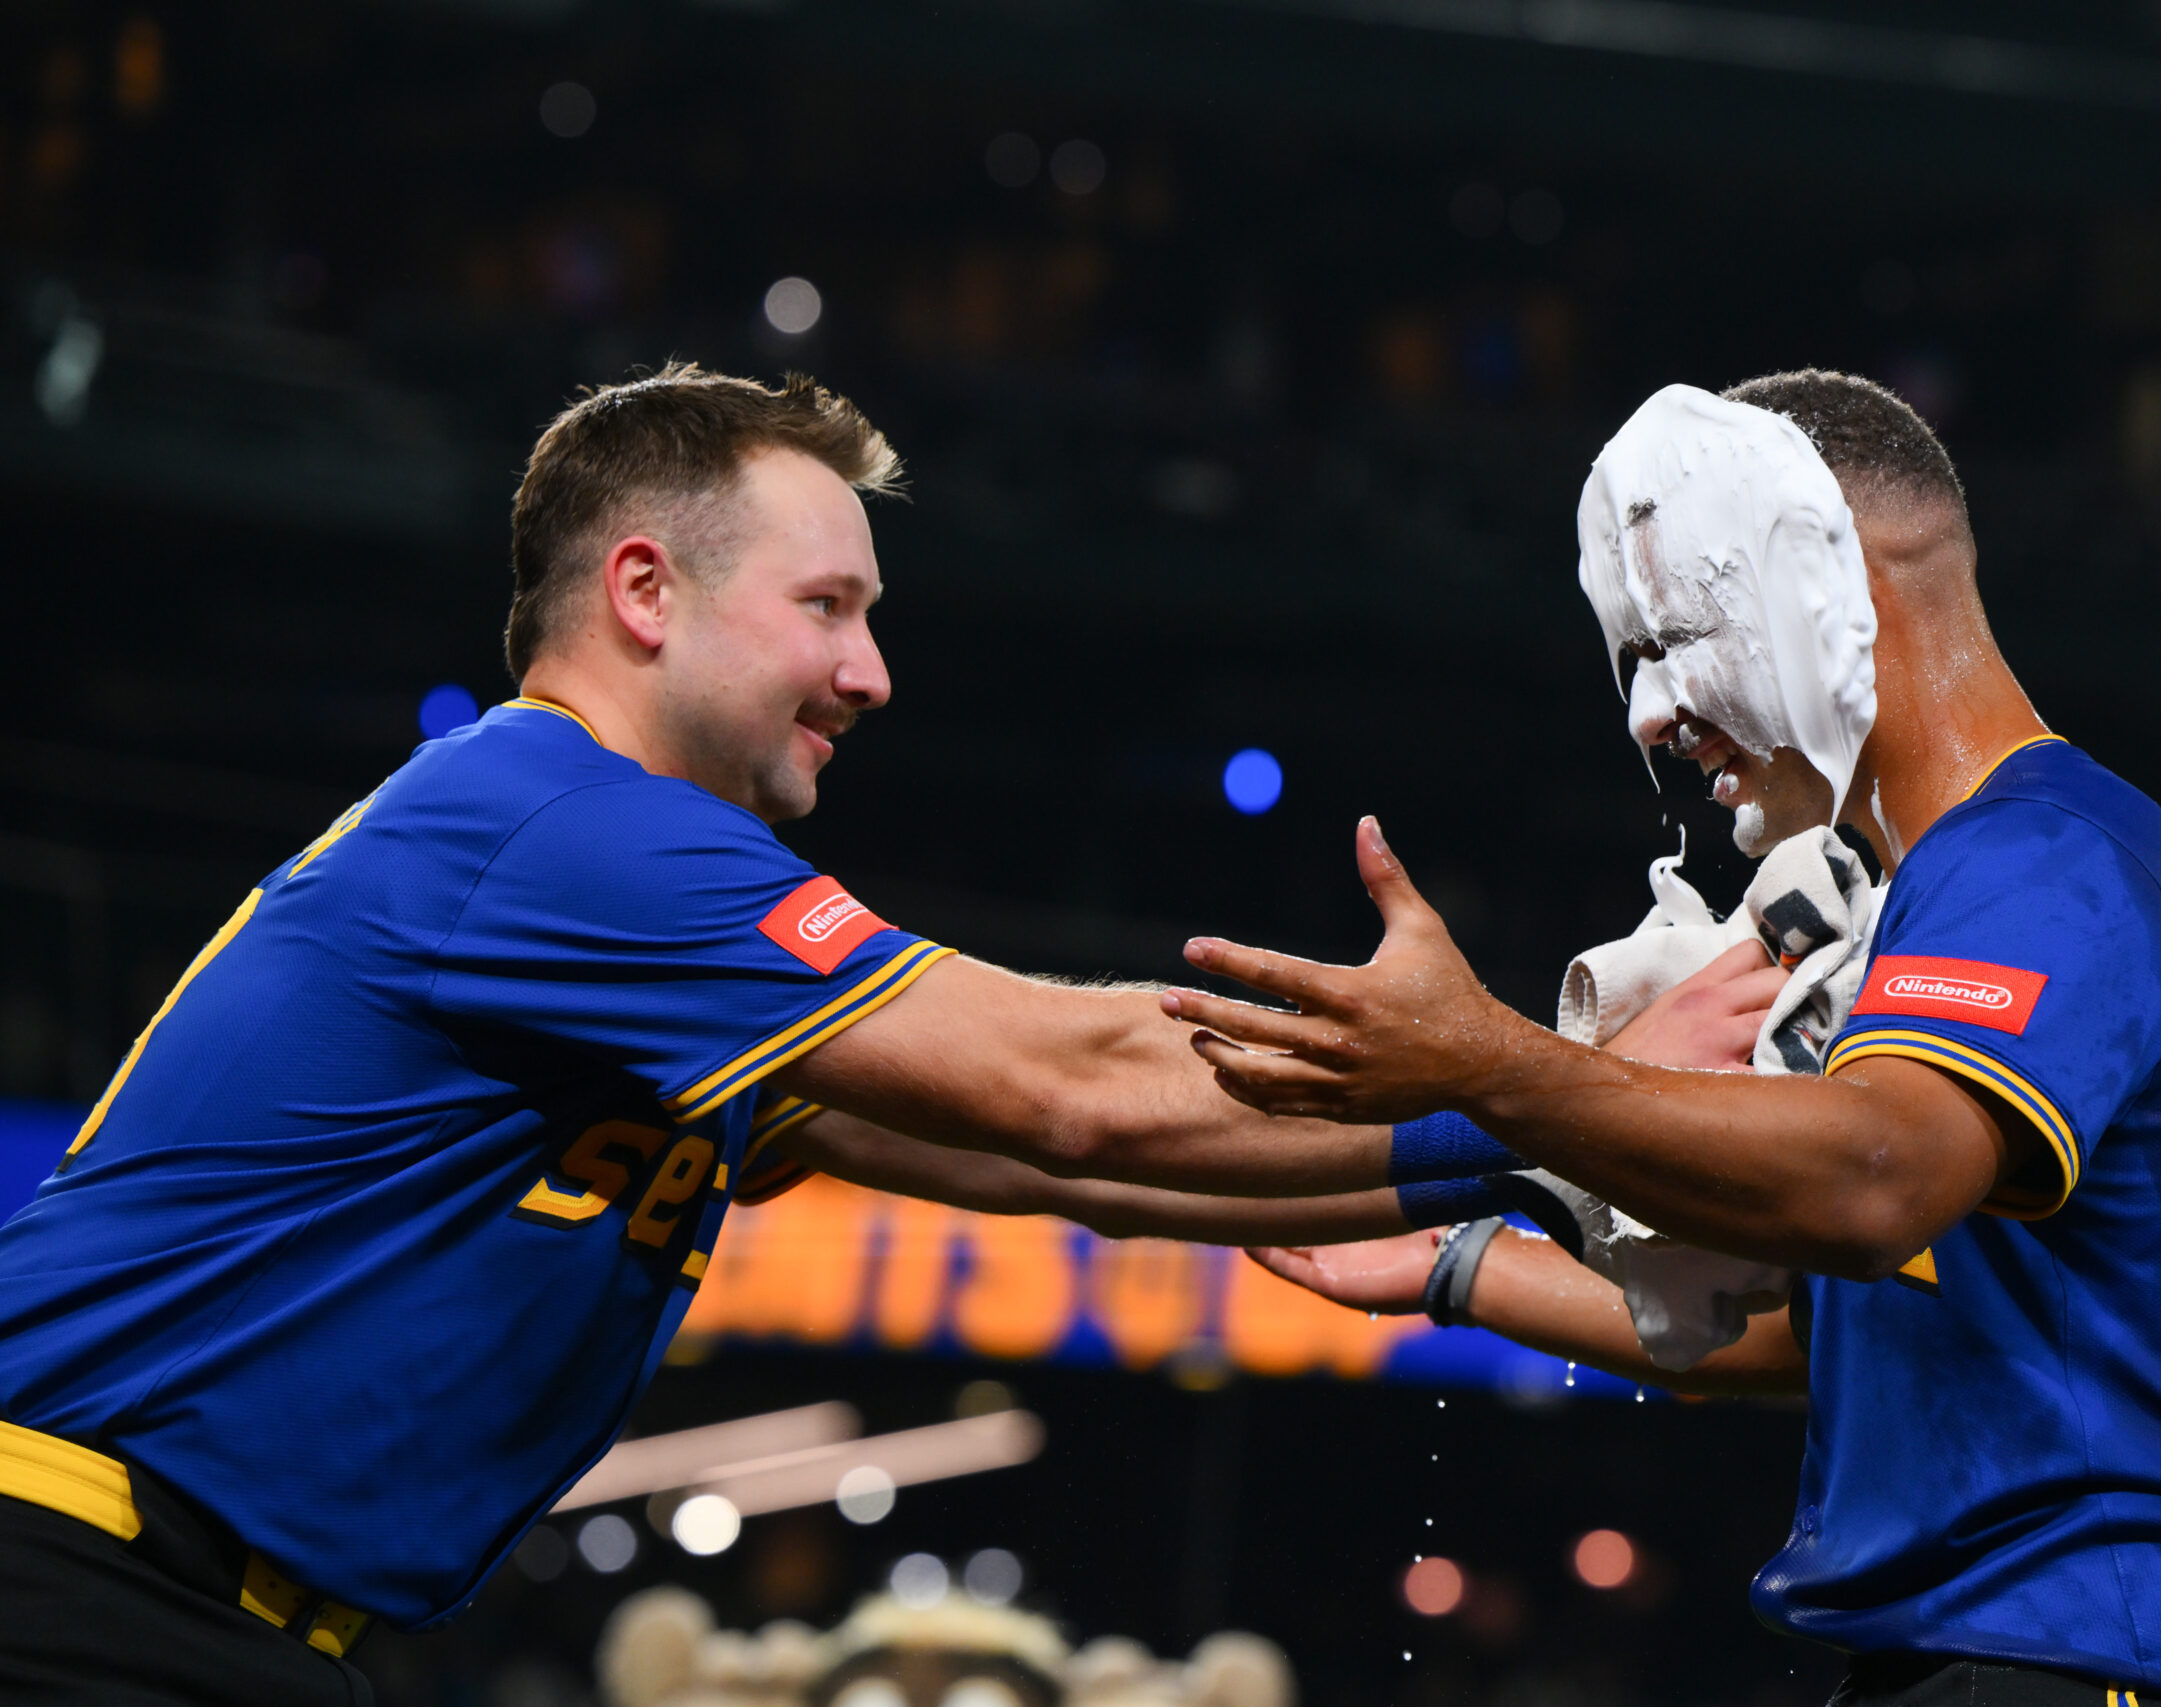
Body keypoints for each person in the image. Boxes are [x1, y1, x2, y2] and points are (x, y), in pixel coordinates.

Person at [0, 363, 1460, 1704]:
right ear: (645, 591)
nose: (872, 672)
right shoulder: (567, 827)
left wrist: (1524, 1174)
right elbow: (1066, 1088)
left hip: (179, 1616)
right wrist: (1527, 1086)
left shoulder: (597, 893)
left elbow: (1059, 1164)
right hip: (75, 1582)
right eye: (827, 605)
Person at [1174, 372, 2161, 1707]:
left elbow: (1872, 1184)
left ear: (1834, 580)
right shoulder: (1930, 896)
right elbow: (1834, 1337)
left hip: (2115, 1658)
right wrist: (1465, 1267)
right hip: (2023, 1656)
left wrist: (1493, 1069)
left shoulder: (2045, 855)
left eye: (1680, 631)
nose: (1649, 714)